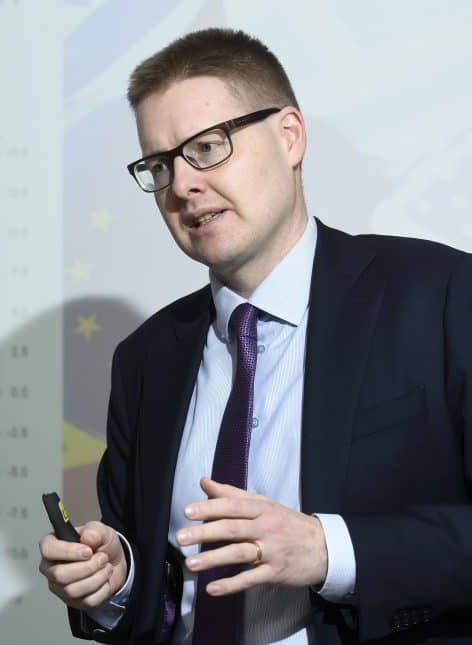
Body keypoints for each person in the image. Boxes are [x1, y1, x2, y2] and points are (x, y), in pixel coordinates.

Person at [38, 27, 472, 644]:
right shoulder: (146, 358)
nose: (182, 186)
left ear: (289, 136)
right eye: (160, 165)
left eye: (207, 147)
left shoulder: (442, 295)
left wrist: (328, 550)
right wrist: (119, 583)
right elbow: (168, 592)